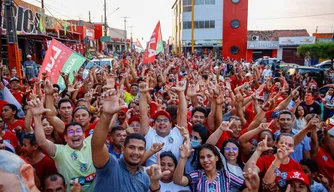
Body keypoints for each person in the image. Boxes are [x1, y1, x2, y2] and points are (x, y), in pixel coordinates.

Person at [28, 98, 96, 191]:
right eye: (71, 132)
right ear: (65, 138)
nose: (75, 134)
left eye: (78, 131)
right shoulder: (60, 151)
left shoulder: (91, 141)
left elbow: (105, 127)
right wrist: (36, 116)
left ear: (84, 135)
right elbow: (42, 142)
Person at [91, 90, 151, 191]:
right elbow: (97, 146)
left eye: (140, 149)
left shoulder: (144, 178)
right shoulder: (110, 166)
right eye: (132, 147)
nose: (136, 152)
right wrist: (107, 115)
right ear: (123, 149)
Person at [173, 143, 244, 191]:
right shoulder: (196, 175)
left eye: (209, 156)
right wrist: (183, 158)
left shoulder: (226, 175)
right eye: (202, 157)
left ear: (216, 158)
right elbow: (178, 180)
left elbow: (246, 186)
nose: (205, 160)